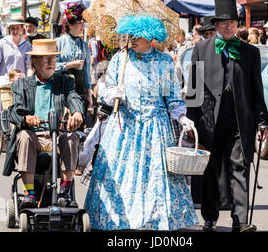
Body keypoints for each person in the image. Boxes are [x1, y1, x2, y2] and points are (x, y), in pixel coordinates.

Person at [84, 15, 199, 231]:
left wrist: (182, 117)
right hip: (124, 127)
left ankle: (153, 219)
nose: (132, 40)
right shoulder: (121, 58)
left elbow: (173, 97)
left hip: (154, 128)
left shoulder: (164, 62)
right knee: (120, 176)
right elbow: (107, 87)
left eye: (137, 36)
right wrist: (112, 92)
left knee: (154, 178)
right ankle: (120, 220)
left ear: (150, 37)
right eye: (130, 36)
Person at [186, 0, 268, 232]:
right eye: (225, 23)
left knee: (240, 168)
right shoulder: (201, 49)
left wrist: (262, 122)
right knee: (210, 170)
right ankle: (210, 215)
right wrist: (192, 123)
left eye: (233, 22)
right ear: (216, 26)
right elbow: (193, 89)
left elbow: (257, 91)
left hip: (240, 121)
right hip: (209, 121)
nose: (230, 26)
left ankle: (240, 220)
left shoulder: (250, 53)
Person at [3, 39, 85, 209]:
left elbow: (74, 98)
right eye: (46, 59)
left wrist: (77, 112)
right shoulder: (22, 84)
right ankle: (29, 193)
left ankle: (64, 191)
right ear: (34, 61)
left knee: (71, 137)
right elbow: (14, 109)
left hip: (57, 133)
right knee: (24, 136)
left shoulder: (65, 81)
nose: (51, 63)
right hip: (34, 135)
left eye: (54, 59)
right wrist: (26, 118)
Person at [0, 17, 32, 136]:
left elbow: (30, 65)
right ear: (9, 29)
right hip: (5, 78)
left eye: (17, 28)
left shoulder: (27, 45)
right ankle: (0, 132)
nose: (15, 30)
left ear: (21, 29)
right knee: (0, 98)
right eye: (12, 28)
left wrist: (28, 78)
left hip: (20, 79)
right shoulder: (2, 43)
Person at [56, 3, 93, 113]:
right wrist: (70, 65)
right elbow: (51, 67)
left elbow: (86, 71)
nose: (82, 27)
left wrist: (89, 93)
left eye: (83, 23)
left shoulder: (84, 45)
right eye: (79, 23)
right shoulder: (59, 42)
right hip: (62, 86)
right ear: (70, 25)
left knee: (79, 121)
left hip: (79, 86)